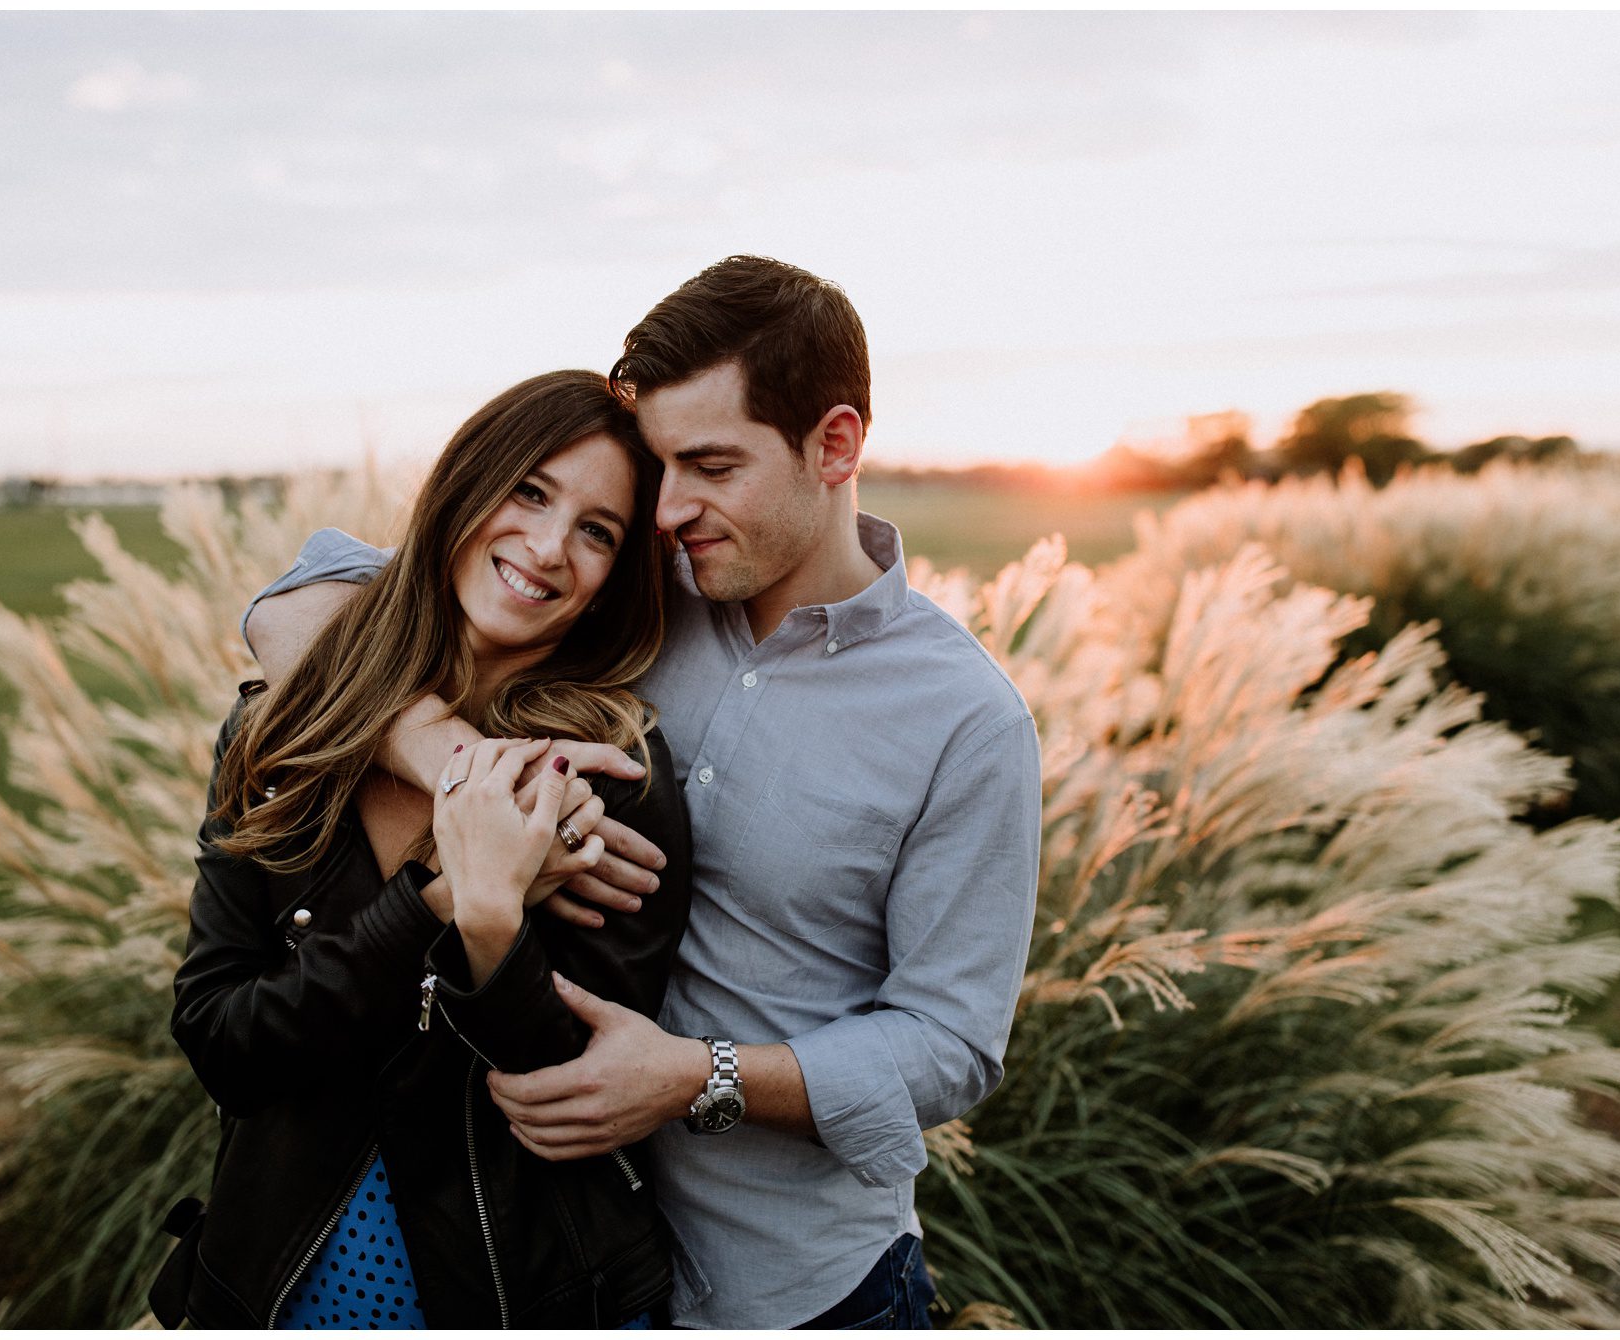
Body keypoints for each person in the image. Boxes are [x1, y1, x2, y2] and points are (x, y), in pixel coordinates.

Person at [245, 257, 1041, 1329]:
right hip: (556, 1258)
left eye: (709, 465)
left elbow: (950, 1041)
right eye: (659, 465)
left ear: (836, 443)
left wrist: (695, 1075)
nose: (668, 508)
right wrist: (455, 763)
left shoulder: (966, 722)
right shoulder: (626, 589)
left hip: (794, 1286)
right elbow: (308, 600)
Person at [149, 370, 693, 1330]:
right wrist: (442, 899)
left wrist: (491, 927)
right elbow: (223, 1043)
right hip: (274, 1288)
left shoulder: (609, 781)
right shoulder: (279, 737)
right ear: (464, 486)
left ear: (616, 577)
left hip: (518, 1299)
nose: (547, 547)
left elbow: (568, 1099)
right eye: (529, 491)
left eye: (597, 531)